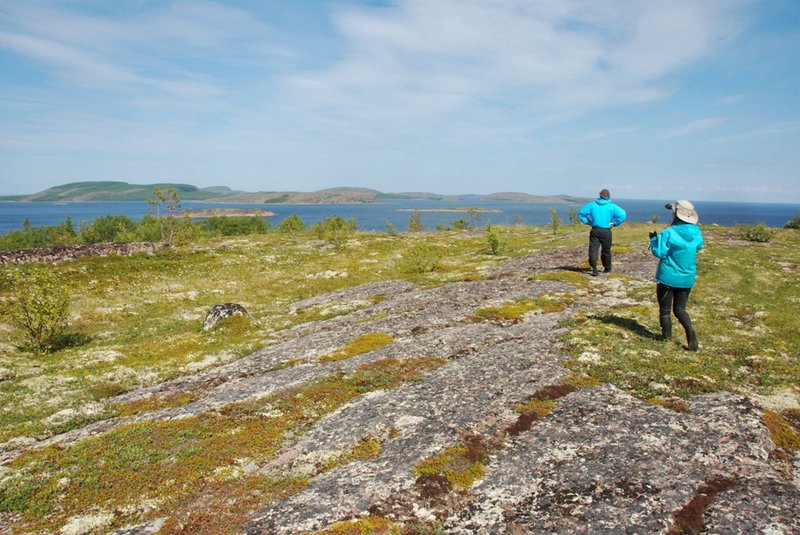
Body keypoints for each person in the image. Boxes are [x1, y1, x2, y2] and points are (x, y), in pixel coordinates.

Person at [649, 200, 703, 351]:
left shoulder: (668, 233)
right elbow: (698, 247)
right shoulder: (697, 232)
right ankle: (691, 334)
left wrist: (654, 239)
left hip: (667, 277)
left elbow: (659, 252)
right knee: (680, 309)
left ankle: (666, 338)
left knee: (665, 310)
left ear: (676, 214)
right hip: (687, 278)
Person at [578, 189, 627, 276]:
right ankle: (607, 268)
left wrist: (588, 222)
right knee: (606, 250)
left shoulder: (592, 205)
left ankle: (594, 269)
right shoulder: (612, 206)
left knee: (593, 250)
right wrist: (614, 223)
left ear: (600, 195)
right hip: (606, 231)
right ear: (608, 196)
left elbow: (581, 213)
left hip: (595, 230)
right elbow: (623, 214)